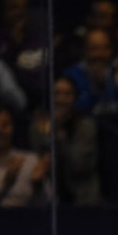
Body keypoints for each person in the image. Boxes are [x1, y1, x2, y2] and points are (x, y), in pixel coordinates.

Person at [28, 75, 101, 205]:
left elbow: (79, 164)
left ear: (75, 98)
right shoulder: (39, 125)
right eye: (57, 94)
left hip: (83, 199)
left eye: (67, 94)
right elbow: (37, 160)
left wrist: (57, 134)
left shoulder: (85, 126)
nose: (61, 99)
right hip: (49, 199)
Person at [0, 0, 49, 108]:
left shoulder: (40, 38)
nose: (20, 12)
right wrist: (14, 46)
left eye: (24, 7)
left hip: (42, 101)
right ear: (4, 12)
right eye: (14, 7)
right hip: (10, 104)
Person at [63, 27, 118, 123]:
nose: (100, 54)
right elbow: (75, 112)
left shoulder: (116, 74)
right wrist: (98, 85)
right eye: (94, 48)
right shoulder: (72, 76)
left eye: (105, 48)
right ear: (85, 50)